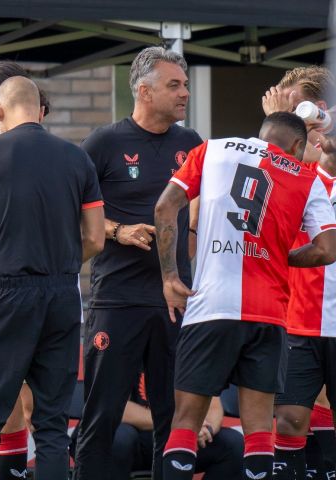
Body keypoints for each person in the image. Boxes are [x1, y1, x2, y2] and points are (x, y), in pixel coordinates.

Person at [154, 112, 336, 480]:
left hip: (210, 308)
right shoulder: (305, 177)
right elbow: (326, 249)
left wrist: (170, 275)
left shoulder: (211, 150)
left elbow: (164, 207)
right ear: (297, 146)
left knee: (186, 422)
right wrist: (278, 257)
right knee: (258, 432)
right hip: (268, 313)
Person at [0, 76, 105, 478]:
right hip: (62, 294)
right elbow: (94, 237)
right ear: (39, 110)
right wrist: (66, 261)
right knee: (53, 425)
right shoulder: (77, 157)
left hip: (4, 290)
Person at [73, 46, 203, 480]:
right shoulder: (105, 142)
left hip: (175, 301)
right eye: (175, 85)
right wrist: (117, 231)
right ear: (144, 91)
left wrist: (190, 236)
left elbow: (202, 204)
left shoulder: (191, 143)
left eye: (185, 84)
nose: (184, 93)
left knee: (175, 419)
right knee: (101, 418)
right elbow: (71, 210)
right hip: (118, 299)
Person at [0, 60, 50, 479]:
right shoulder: (64, 154)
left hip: (0, 288)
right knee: (27, 408)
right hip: (49, 291)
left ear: (0, 102)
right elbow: (88, 232)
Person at [261, 66, 336, 480]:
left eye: (298, 112)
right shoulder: (294, 178)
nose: (296, 124)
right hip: (299, 322)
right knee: (289, 419)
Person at [70, 373, 243, 479]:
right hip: (128, 435)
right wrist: (178, 426)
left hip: (172, 437)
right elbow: (114, 408)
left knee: (234, 445)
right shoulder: (123, 332)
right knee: (119, 438)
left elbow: (213, 406)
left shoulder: (188, 341)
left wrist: (205, 429)